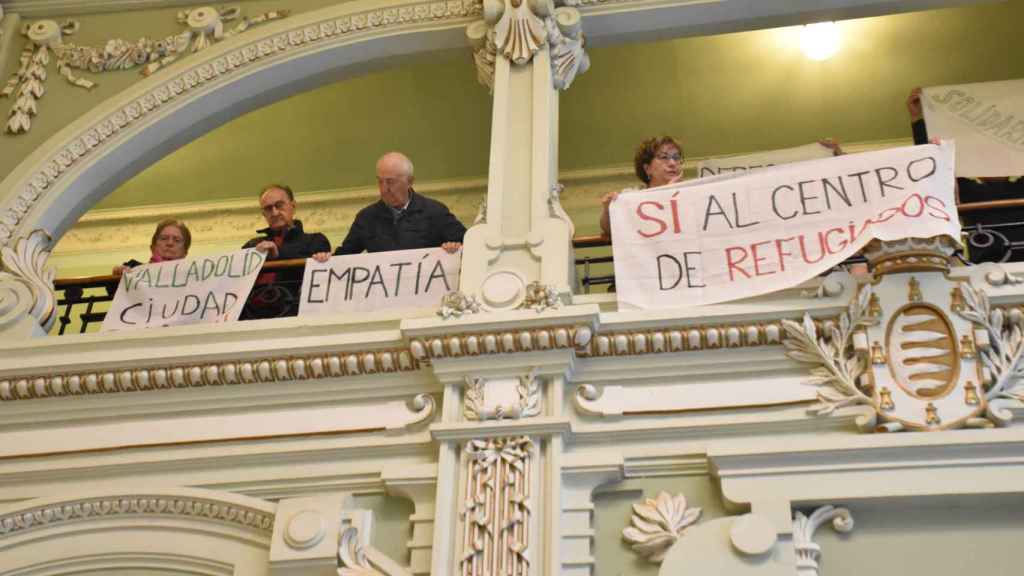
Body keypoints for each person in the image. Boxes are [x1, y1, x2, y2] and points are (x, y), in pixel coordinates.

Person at [907, 87, 1024, 262]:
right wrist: (918, 119)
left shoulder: (1020, 187)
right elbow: (932, 162)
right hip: (988, 261)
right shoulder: (969, 190)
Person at [314, 152, 465, 260]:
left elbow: (469, 243)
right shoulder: (366, 218)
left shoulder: (434, 211)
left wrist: (453, 246)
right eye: (380, 181)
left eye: (391, 182)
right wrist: (325, 260)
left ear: (410, 181)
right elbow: (345, 256)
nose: (384, 188)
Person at [241, 184, 330, 318]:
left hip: (293, 314)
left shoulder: (315, 240)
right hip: (250, 316)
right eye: (268, 209)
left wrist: (278, 254)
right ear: (263, 214)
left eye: (279, 205)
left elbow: (319, 274)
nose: (275, 212)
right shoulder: (252, 245)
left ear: (293, 206)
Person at [600, 136, 685, 237]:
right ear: (647, 168)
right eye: (664, 157)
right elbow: (610, 229)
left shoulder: (693, 193)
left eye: (676, 157)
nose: (672, 163)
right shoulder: (630, 196)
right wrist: (607, 210)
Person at [112, 219, 191, 275]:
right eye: (164, 238)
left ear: (184, 253)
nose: (170, 243)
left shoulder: (194, 278)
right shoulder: (133, 268)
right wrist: (118, 274)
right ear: (153, 248)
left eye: (177, 240)